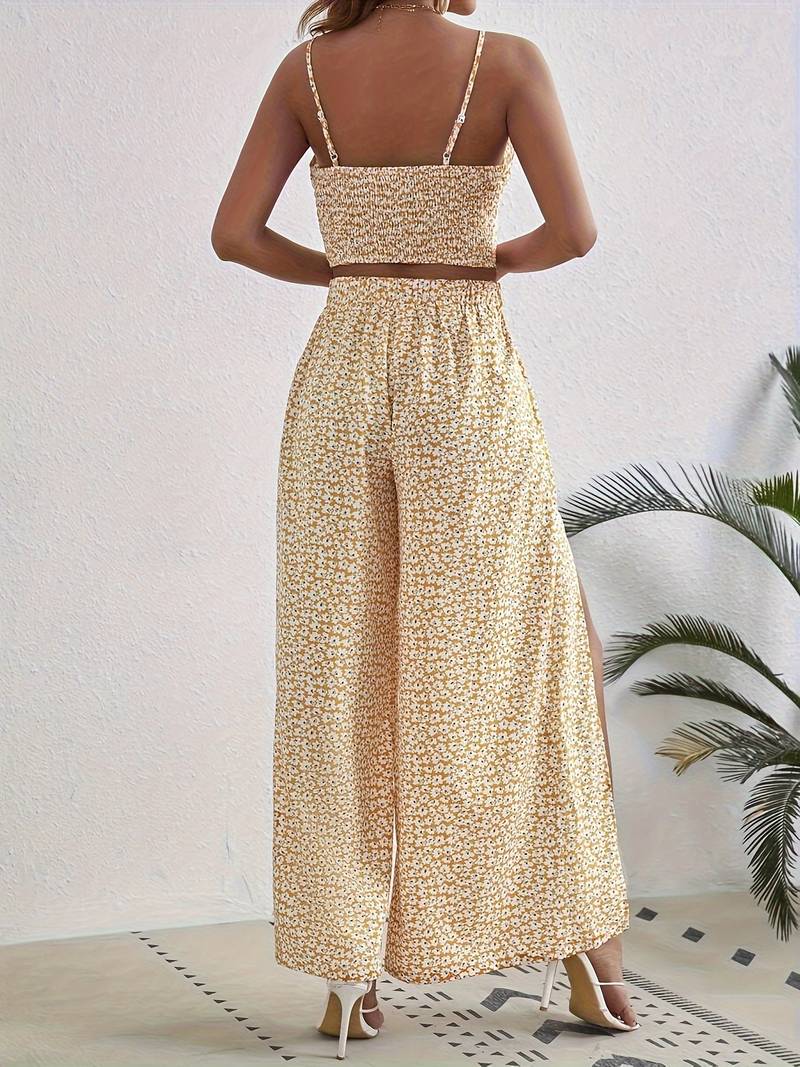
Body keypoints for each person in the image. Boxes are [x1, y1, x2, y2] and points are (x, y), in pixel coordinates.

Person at [211, 0, 639, 1057]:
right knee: (522, 650)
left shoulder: (306, 73)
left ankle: (345, 972)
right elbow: (574, 233)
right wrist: (487, 259)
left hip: (342, 373)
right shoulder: (506, 60)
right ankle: (585, 945)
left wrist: (348, 271)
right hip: (463, 371)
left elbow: (235, 234)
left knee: (338, 666)